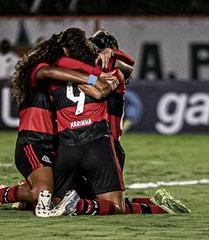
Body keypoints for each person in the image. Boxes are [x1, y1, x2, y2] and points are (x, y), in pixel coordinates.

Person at [50, 27, 191, 216]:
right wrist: (112, 54)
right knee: (111, 205)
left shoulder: (61, 71)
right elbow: (128, 66)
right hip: (104, 145)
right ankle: (158, 207)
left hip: (71, 144)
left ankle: (157, 205)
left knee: (78, 198)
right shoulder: (113, 74)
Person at [0, 32, 118, 216]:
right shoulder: (39, 69)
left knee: (82, 195)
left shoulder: (63, 76)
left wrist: (109, 52)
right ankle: (4, 193)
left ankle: (27, 192)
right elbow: (49, 72)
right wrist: (93, 79)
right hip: (34, 143)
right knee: (42, 194)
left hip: (58, 145)